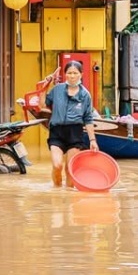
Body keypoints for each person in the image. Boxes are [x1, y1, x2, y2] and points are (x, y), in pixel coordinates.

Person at [44, 60, 99, 189]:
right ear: (65, 75)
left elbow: (88, 118)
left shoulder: (85, 95)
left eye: (75, 73)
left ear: (81, 74)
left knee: (70, 169)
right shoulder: (57, 89)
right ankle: (57, 193)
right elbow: (42, 104)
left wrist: (93, 140)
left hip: (75, 133)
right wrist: (45, 84)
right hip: (56, 131)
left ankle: (68, 199)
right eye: (69, 73)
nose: (72, 76)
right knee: (57, 165)